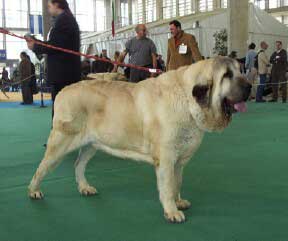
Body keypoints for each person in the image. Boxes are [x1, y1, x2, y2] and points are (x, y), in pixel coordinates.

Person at [26, 0, 81, 119]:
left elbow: (54, 46)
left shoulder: (64, 20)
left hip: (64, 76)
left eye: (49, 6)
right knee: (63, 112)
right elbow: (55, 45)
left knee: (62, 114)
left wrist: (35, 46)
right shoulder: (65, 19)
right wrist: (36, 43)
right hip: (65, 75)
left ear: (57, 4)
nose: (48, 9)